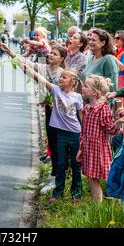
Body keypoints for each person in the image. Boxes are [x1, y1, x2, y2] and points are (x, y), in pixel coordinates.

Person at [1, 43, 66, 185]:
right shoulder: (43, 68)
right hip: (49, 111)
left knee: (60, 144)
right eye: (51, 53)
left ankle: (61, 178)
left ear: (61, 59)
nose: (50, 55)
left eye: (55, 54)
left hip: (61, 113)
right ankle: (54, 177)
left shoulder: (64, 74)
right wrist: (11, 52)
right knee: (52, 142)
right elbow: (26, 63)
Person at [20, 63, 84, 202]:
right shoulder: (56, 90)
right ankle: (57, 192)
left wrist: (83, 134)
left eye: (64, 77)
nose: (60, 79)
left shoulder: (78, 97)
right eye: (60, 76)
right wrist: (28, 69)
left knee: (75, 164)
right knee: (60, 163)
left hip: (75, 134)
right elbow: (41, 79)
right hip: (60, 134)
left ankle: (76, 193)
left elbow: (81, 115)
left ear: (72, 82)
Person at [76, 75, 124, 202]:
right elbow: (83, 131)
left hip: (98, 148)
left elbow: (110, 129)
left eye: (86, 86)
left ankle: (112, 199)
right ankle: (97, 206)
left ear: (94, 92)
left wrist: (117, 123)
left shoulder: (102, 109)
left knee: (100, 177)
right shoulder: (87, 108)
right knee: (91, 177)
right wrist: (81, 148)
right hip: (88, 147)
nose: (82, 87)